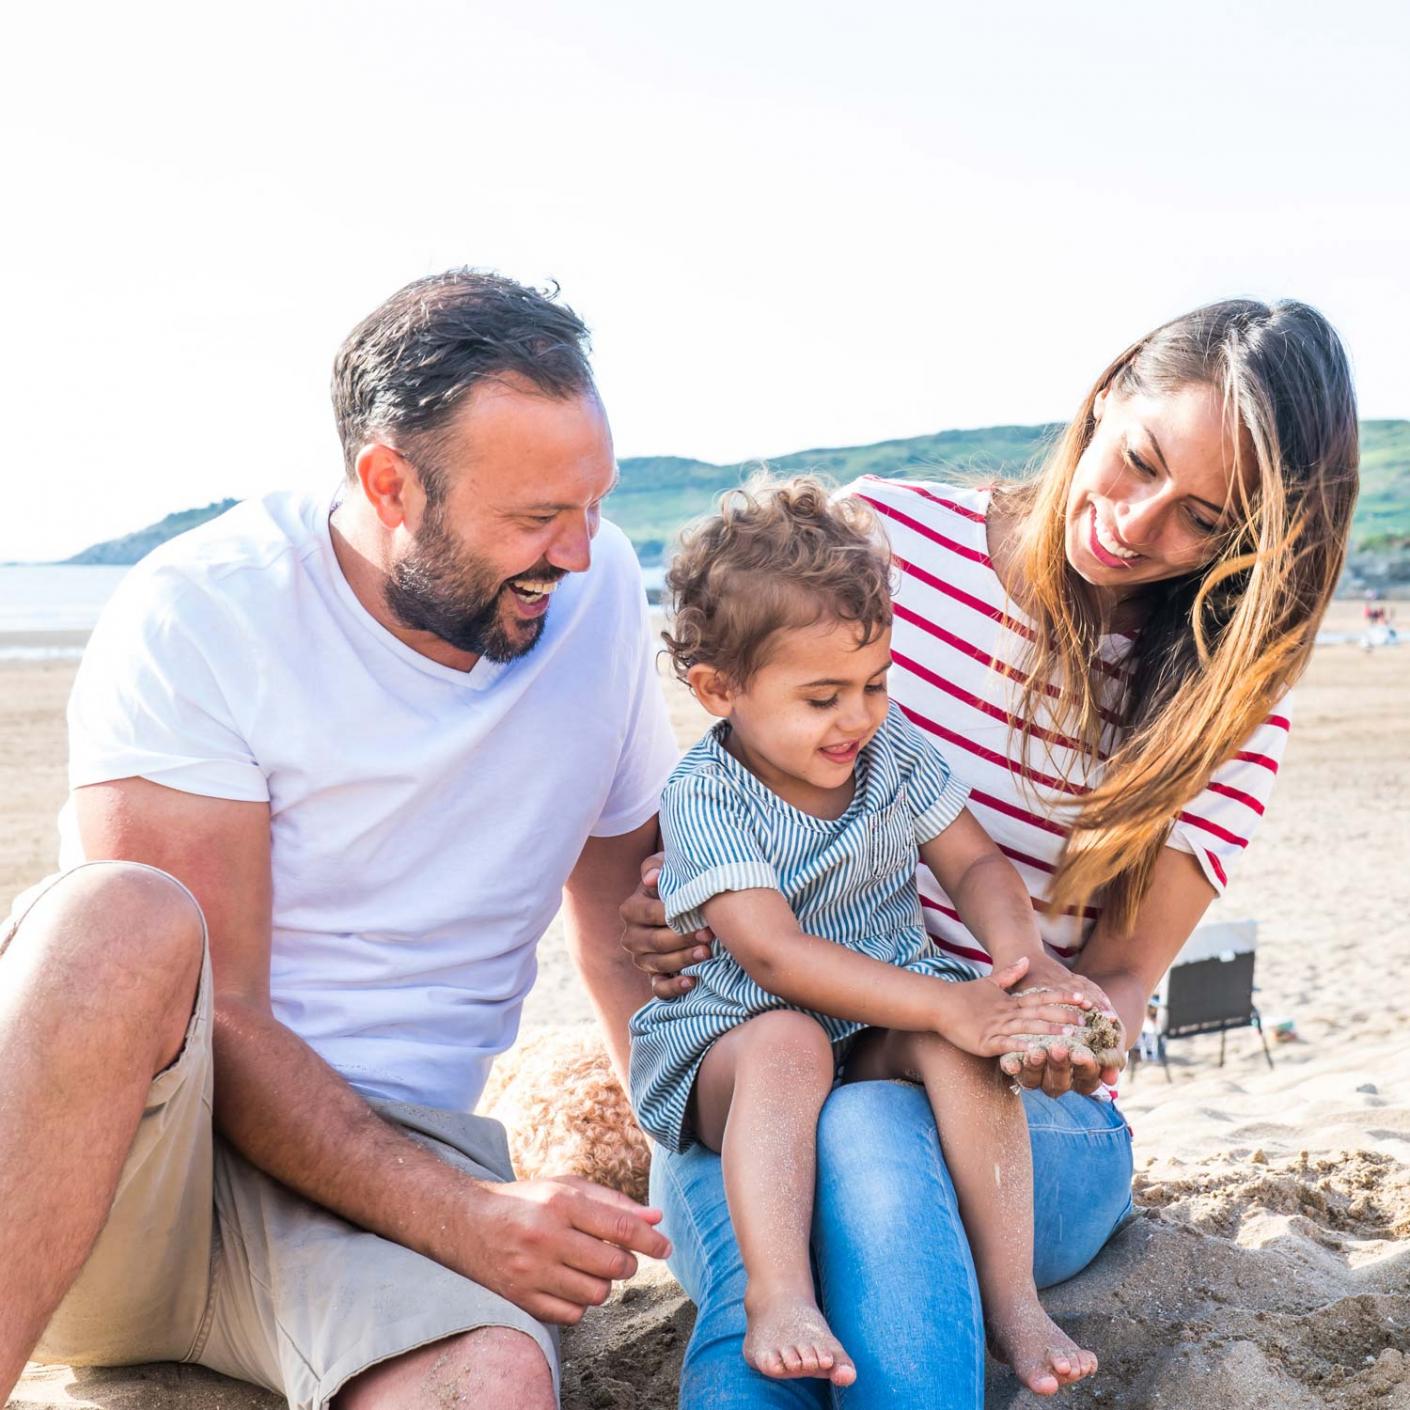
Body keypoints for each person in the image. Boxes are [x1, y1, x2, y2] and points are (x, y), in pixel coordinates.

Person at [621, 299, 1360, 1408]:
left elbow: (1111, 979)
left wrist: (1056, 1014)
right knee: (810, 1139)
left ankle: (976, 1322)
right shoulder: (872, 544)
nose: (1137, 524)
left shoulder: (1226, 700)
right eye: (1140, 461)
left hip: (1012, 1112)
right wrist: (668, 911)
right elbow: (739, 793)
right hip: (765, 1084)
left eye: (1203, 520)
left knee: (876, 1124)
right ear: (1106, 395)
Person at [0, 270, 679, 1410]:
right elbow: (222, 1015)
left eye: (594, 504)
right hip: (127, 1165)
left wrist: (694, 1192)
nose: (576, 552)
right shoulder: (204, 609)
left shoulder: (595, 593)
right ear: (389, 483)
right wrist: (460, 1214)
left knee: (494, 1382)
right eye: (533, 518)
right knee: (115, 915)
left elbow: (623, 926)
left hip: (388, 1182)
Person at [627, 478, 1105, 1395]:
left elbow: (974, 866)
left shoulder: (891, 751)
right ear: (719, 690)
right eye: (821, 698)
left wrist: (1020, 965)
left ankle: (1011, 1300)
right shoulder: (707, 793)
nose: (857, 717)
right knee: (790, 1041)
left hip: (877, 1014)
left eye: (874, 683)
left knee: (959, 1045)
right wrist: (945, 999)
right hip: (735, 1040)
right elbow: (772, 954)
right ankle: (778, 1293)